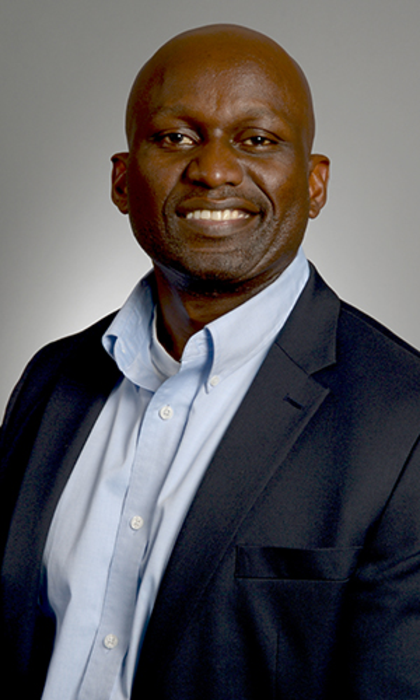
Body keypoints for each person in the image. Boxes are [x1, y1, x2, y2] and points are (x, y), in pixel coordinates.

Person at [1, 22, 420, 700]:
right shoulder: (50, 381)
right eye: (176, 138)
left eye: (257, 140)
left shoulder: (404, 422)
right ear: (122, 180)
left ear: (315, 184)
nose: (215, 170)